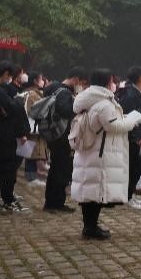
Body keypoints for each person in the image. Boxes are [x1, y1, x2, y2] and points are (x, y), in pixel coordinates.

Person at [70, 69, 141, 240]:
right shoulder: (104, 103)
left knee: (89, 190)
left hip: (90, 150)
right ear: (106, 82)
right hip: (101, 152)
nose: (115, 84)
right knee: (95, 192)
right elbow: (112, 126)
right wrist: (131, 122)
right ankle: (90, 227)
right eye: (112, 81)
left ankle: (90, 225)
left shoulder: (88, 99)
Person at [0, 62, 31, 213]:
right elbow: (13, 110)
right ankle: (8, 201)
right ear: (6, 74)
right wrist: (21, 132)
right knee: (7, 170)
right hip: (2, 137)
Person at [42, 68, 87, 212]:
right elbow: (65, 111)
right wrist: (78, 105)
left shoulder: (52, 87)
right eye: (81, 83)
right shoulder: (65, 92)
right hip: (61, 136)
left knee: (56, 168)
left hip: (54, 133)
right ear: (76, 79)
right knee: (61, 169)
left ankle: (53, 202)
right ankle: (55, 203)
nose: (81, 86)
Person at [115, 66, 141, 208]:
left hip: (138, 137)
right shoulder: (131, 95)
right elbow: (130, 118)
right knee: (133, 167)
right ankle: (128, 196)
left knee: (137, 166)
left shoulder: (136, 93)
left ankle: (130, 194)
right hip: (133, 139)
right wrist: (138, 137)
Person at [22, 72, 50, 187]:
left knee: (30, 151)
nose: (43, 81)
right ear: (35, 81)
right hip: (33, 127)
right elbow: (35, 110)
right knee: (32, 152)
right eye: (41, 79)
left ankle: (31, 176)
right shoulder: (33, 94)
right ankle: (31, 177)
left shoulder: (28, 92)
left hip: (29, 127)